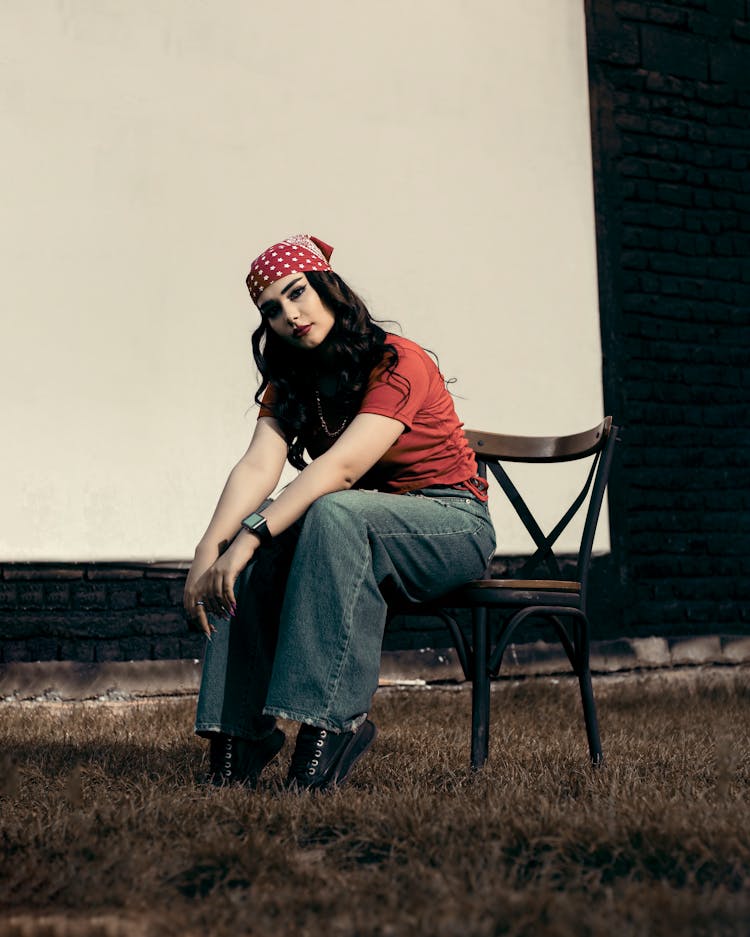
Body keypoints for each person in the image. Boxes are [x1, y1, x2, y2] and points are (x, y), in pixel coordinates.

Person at [184, 234, 496, 791]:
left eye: (298, 293)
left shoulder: (399, 361)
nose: (290, 315)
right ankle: (237, 741)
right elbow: (258, 466)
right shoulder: (294, 380)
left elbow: (343, 469)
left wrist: (251, 535)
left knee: (322, 513)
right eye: (272, 309)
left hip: (451, 524)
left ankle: (328, 728)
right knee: (256, 547)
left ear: (329, 286)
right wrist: (210, 553)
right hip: (357, 527)